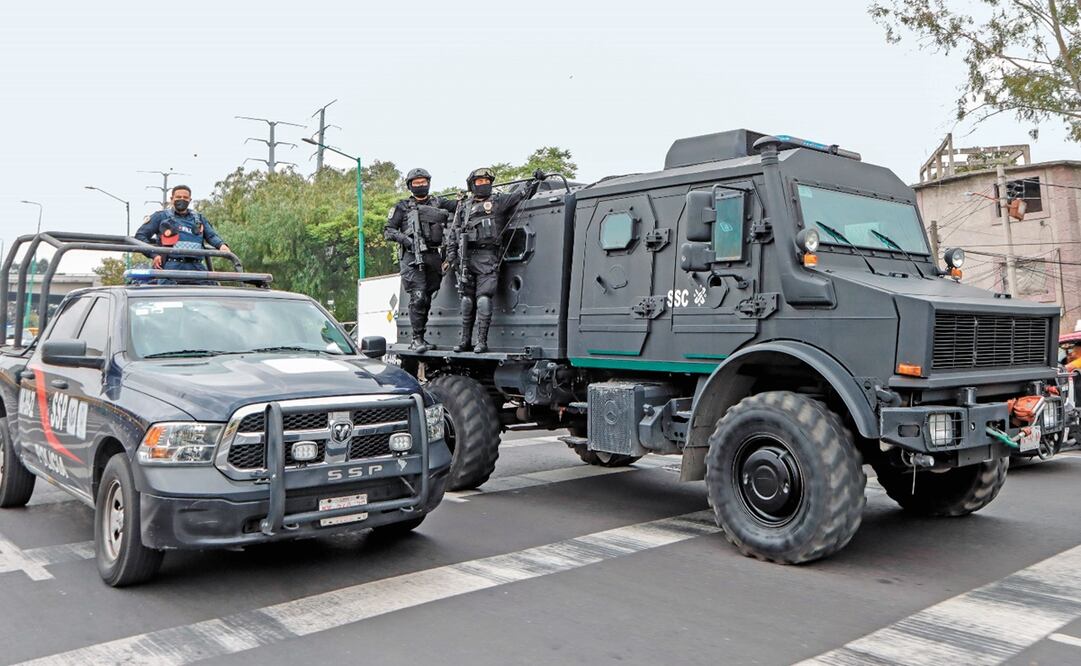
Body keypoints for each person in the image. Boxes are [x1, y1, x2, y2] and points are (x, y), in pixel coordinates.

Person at [447, 167, 543, 353]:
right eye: (479, 182)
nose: (484, 185)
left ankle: (481, 341)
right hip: (466, 258)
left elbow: (523, 194)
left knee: (483, 299)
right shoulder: (464, 207)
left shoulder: (498, 201)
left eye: (486, 182)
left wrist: (535, 180)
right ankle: (465, 340)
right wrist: (452, 255)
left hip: (487, 257)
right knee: (467, 300)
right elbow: (454, 233)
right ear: (472, 185)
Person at [384, 168, 458, 352]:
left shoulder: (437, 201)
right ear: (410, 186)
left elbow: (458, 206)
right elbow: (388, 230)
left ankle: (421, 336)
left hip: (433, 255)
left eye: (423, 182)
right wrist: (407, 240)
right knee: (418, 296)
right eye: (416, 183)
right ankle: (416, 339)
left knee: (427, 297)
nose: (420, 186)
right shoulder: (401, 207)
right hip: (411, 256)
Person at [135, 185, 230, 274]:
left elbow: (211, 236)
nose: (182, 199)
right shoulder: (161, 216)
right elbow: (140, 236)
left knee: (211, 289)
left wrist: (221, 245)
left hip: (197, 267)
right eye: (178, 197)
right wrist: (154, 254)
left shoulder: (199, 218)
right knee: (167, 291)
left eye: (185, 198)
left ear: (190, 200)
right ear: (172, 199)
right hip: (170, 266)